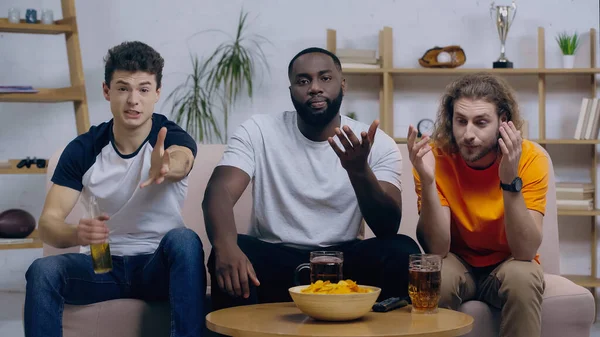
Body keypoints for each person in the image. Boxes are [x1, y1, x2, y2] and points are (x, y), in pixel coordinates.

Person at [203, 47, 421, 310]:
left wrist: (358, 171)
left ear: (343, 85)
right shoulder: (259, 130)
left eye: (325, 78)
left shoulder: (375, 142)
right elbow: (219, 192)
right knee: (225, 250)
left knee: (401, 251)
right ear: (292, 90)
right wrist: (226, 246)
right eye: (303, 80)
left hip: (345, 262)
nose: (314, 88)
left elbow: (387, 227)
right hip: (275, 259)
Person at [24, 41, 205, 337]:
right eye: (123, 88)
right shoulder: (84, 149)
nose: (133, 100)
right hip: (102, 263)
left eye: (144, 89)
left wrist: (167, 166)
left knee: (184, 240)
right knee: (43, 270)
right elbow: (48, 224)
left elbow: (182, 160)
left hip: (157, 265)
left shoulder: (169, 136)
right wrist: (76, 234)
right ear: (107, 91)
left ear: (157, 94)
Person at [407, 72, 546, 337]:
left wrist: (509, 180)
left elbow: (525, 251)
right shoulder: (435, 157)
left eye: (481, 122)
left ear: (503, 122)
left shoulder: (530, 158)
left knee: (523, 276)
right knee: (436, 273)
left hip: (509, 261)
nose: (468, 134)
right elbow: (437, 247)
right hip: (458, 260)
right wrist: (427, 182)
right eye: (461, 121)